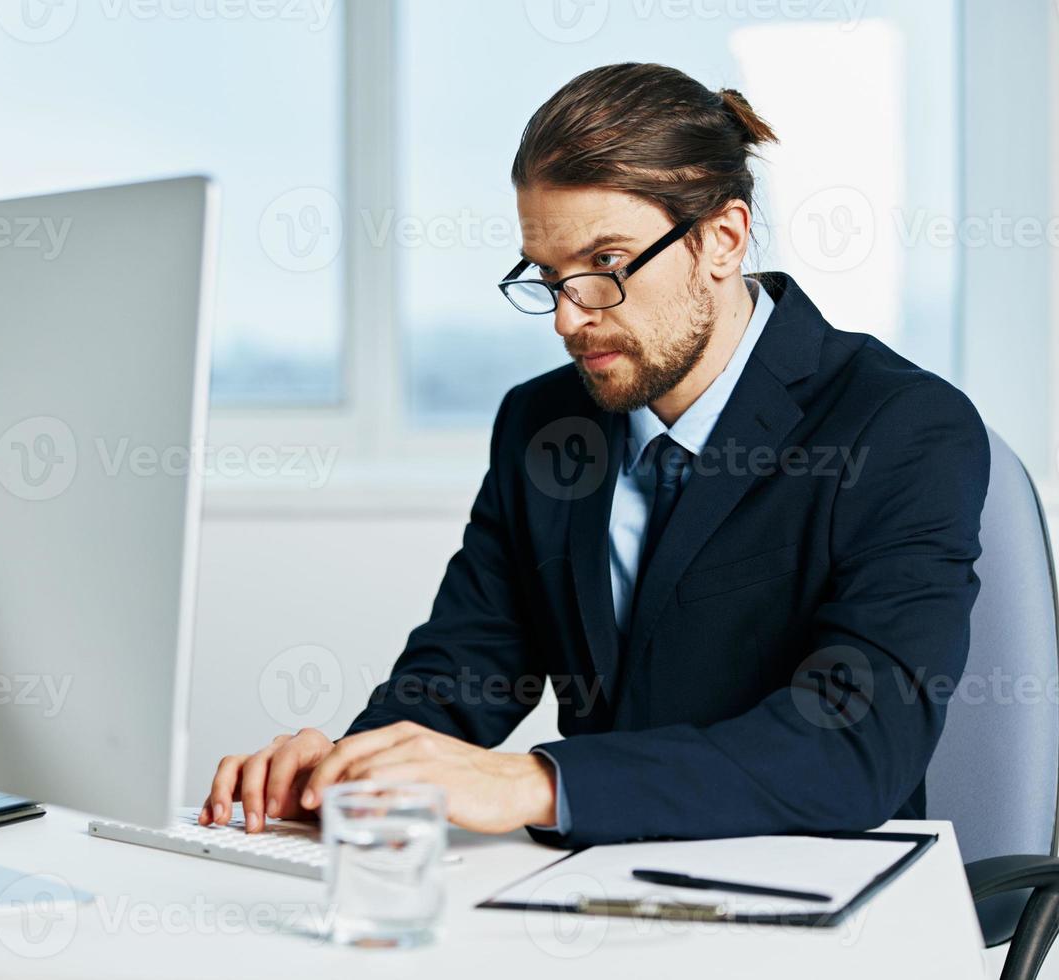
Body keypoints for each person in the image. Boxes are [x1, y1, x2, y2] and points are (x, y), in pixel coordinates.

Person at [201, 62, 989, 847]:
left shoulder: (900, 427)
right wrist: (352, 767)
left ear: (723, 238)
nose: (569, 320)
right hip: (592, 891)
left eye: (606, 266)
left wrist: (538, 782)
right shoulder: (542, 423)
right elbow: (468, 667)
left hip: (814, 892)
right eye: (549, 277)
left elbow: (855, 745)